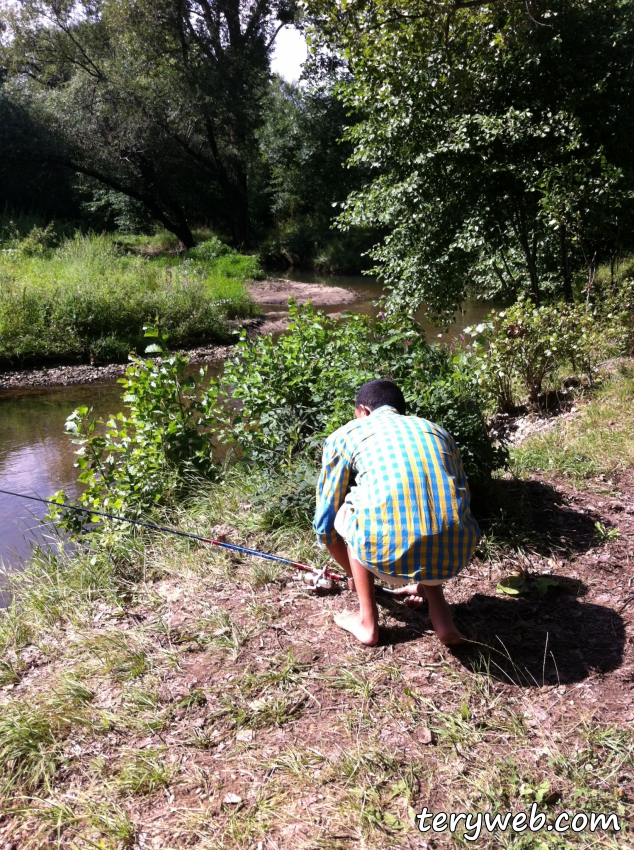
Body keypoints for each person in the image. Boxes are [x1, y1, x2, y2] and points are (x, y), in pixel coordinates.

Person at [313, 379, 480, 647]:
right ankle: (443, 619)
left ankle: (367, 622)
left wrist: (354, 576)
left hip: (385, 554)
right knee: (428, 506)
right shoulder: (435, 430)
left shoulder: (347, 434)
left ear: (363, 411)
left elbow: (326, 520)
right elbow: (461, 492)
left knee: (351, 509)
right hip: (455, 552)